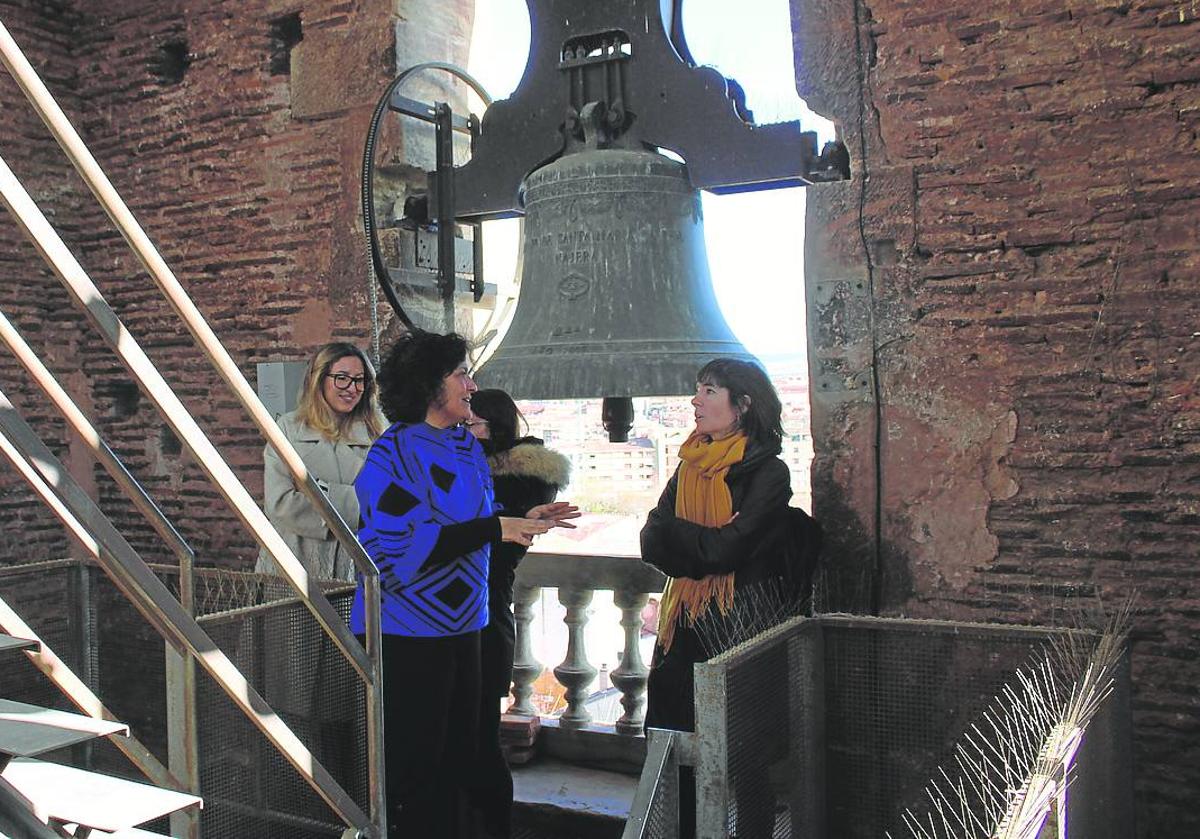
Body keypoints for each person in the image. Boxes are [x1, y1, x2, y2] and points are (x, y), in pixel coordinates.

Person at [349, 332, 578, 839]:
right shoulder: (391, 456)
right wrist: (496, 528)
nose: (471, 385)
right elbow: (398, 549)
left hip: (466, 626)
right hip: (407, 633)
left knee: (466, 754)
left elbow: (475, 523)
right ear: (430, 385)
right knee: (417, 763)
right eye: (460, 374)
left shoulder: (463, 448)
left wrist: (522, 518)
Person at [640, 358, 816, 838]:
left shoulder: (769, 472)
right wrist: (695, 541)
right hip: (687, 620)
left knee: (744, 747)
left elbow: (729, 549)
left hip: (739, 621)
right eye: (698, 389)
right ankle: (683, 829)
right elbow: (650, 542)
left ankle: (752, 832)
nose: (696, 400)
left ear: (742, 404)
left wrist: (679, 537)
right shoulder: (689, 463)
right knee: (674, 728)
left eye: (709, 391)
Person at [464, 389, 572, 839]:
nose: (463, 429)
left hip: (485, 614)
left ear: (493, 426)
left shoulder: (514, 478)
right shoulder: (477, 473)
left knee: (480, 736)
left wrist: (514, 520)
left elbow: (484, 532)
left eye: (472, 424)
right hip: (476, 613)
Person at [257, 342, 384, 582]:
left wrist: (318, 492)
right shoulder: (288, 429)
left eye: (359, 380)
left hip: (355, 564)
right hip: (294, 561)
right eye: (342, 378)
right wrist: (355, 507)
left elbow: (386, 503)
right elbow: (280, 503)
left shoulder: (380, 434)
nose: (352, 388)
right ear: (319, 379)